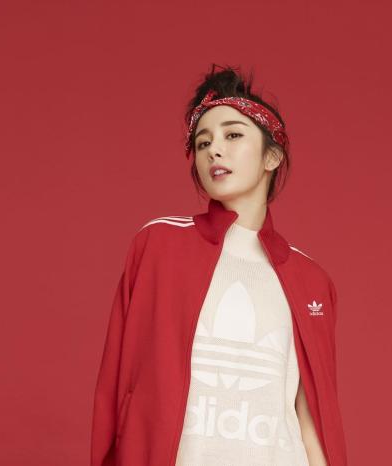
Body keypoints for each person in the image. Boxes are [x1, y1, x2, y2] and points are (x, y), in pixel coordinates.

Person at [91, 64, 348, 466]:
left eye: (233, 135)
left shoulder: (310, 279)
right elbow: (117, 386)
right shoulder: (159, 245)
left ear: (272, 156)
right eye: (202, 142)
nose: (214, 150)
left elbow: (309, 414)